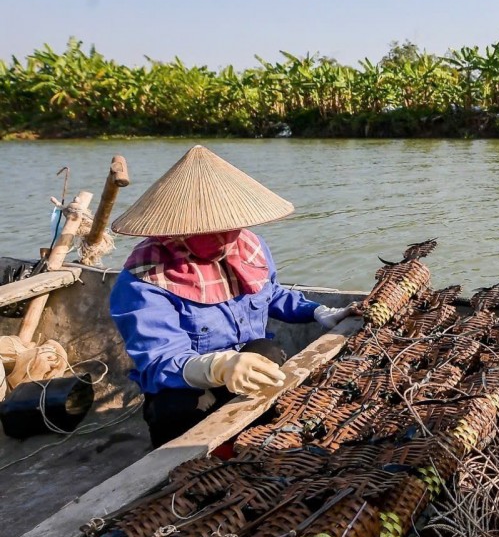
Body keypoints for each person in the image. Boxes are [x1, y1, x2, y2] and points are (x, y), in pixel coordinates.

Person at [109, 145, 353, 447]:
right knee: (175, 409)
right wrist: (218, 367)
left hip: (244, 363)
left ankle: (256, 435)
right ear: (178, 228)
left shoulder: (248, 246)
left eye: (229, 225)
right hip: (187, 379)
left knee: (268, 353)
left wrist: (317, 311)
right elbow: (161, 360)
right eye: (209, 229)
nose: (225, 237)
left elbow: (269, 293)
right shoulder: (144, 280)